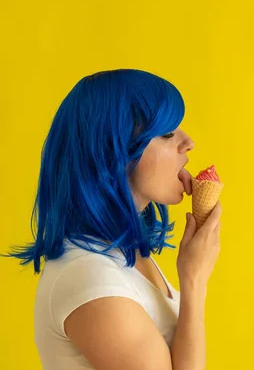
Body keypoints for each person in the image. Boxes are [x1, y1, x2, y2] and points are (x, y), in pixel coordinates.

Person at [1, 69, 222, 370]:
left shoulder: (122, 258)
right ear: (116, 151)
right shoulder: (88, 274)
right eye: (168, 133)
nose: (188, 142)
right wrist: (194, 282)